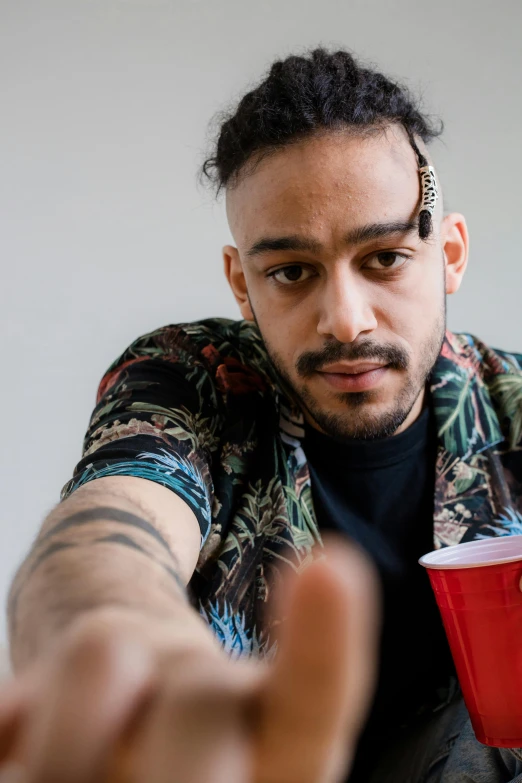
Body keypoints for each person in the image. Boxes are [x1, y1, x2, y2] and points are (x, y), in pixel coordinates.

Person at [2, 46, 522, 782]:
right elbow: (107, 528)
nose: (344, 320)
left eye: (385, 258)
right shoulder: (196, 381)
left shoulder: (511, 406)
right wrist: (117, 632)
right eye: (291, 272)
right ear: (242, 284)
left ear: (450, 253)